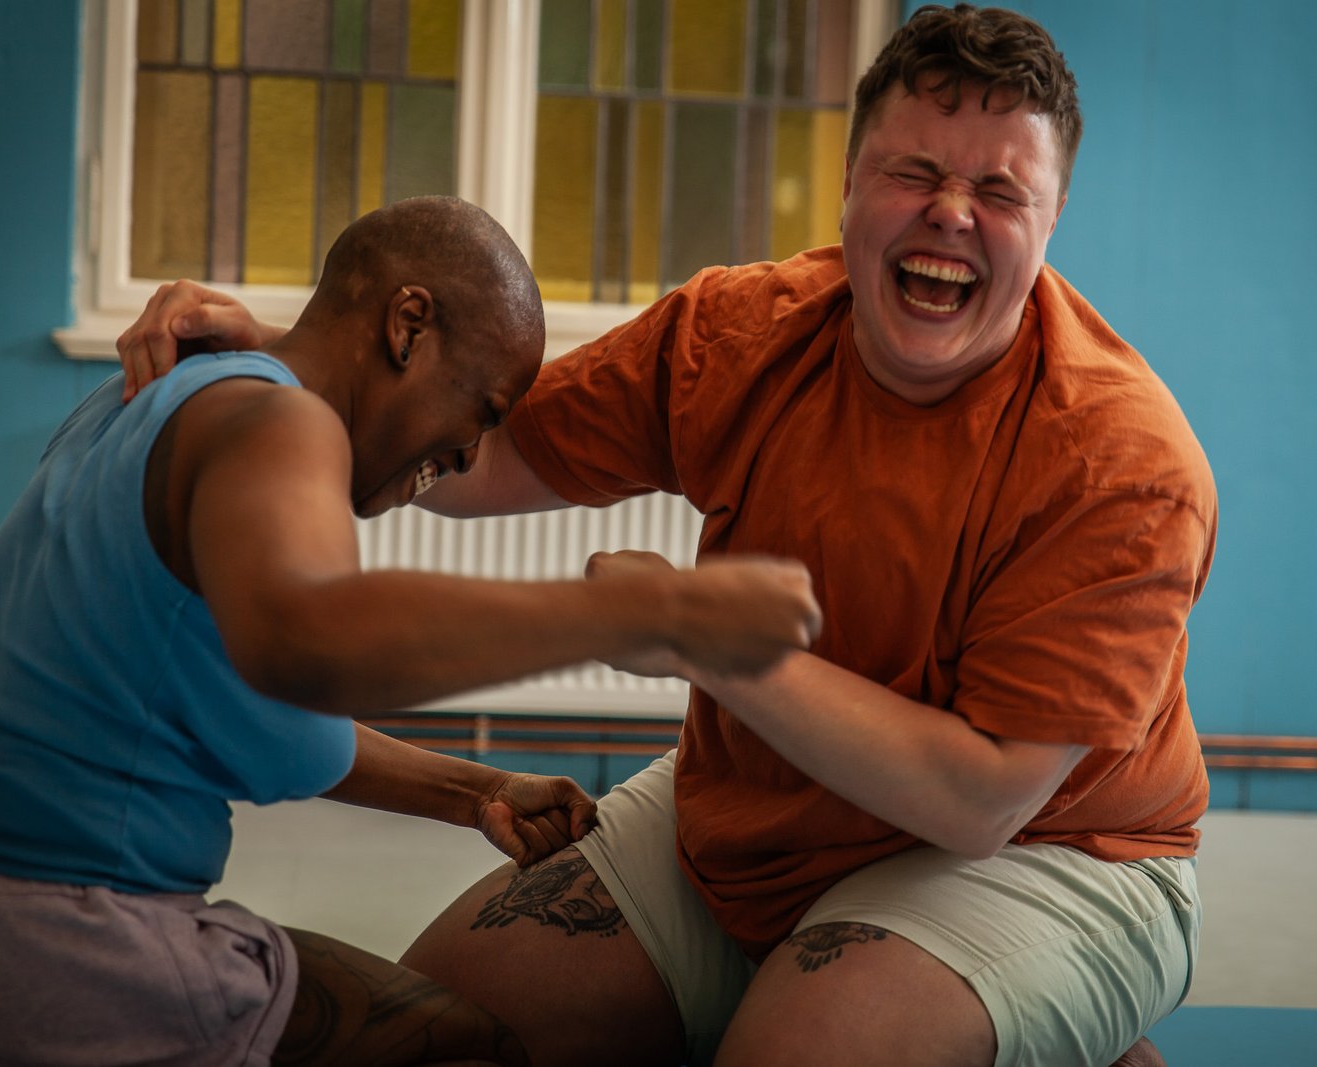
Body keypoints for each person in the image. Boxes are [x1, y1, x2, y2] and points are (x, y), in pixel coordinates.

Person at [115, 5, 1218, 1065]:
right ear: (848, 183)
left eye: (1000, 190)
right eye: (914, 172)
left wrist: (697, 636)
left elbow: (980, 797)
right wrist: (293, 358)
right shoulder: (740, 331)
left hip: (1040, 850)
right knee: (435, 1034)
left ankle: (1026, 1013)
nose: (951, 213)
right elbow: (472, 444)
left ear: (1052, 220)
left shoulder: (1119, 458)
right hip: (753, 824)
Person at [0, 195, 824, 1067]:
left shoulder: (153, 394)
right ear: (407, 325)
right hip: (55, 936)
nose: (468, 455)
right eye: (486, 409)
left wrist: (479, 790)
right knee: (476, 1047)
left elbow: (279, 714)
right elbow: (309, 643)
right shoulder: (280, 422)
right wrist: (646, 611)